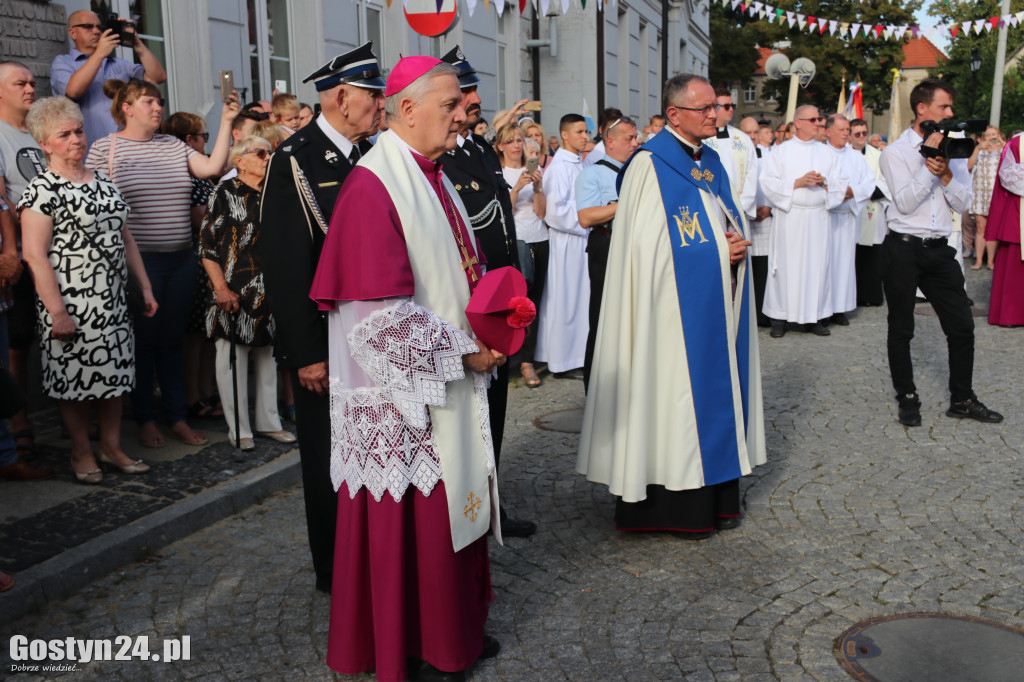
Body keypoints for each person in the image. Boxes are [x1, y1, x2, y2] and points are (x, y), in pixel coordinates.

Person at [309, 55, 500, 682]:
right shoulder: (374, 185)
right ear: (408, 108)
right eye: (450, 105)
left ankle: (457, 632)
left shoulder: (434, 173)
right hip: (400, 396)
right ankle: (418, 647)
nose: (462, 114)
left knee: (451, 511)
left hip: (446, 374)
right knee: (417, 518)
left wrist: (495, 324)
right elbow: (377, 320)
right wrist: (465, 351)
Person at [577, 73, 766, 538]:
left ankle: (718, 497)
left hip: (713, 306)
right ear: (675, 114)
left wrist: (735, 244)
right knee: (673, 399)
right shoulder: (649, 165)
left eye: (715, 108)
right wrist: (722, 252)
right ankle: (670, 507)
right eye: (704, 109)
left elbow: (722, 219)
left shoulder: (712, 161)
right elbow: (646, 249)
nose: (714, 115)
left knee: (716, 389)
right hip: (666, 318)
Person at [258, 42, 386, 593]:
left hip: (373, 335)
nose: (381, 105)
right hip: (324, 343)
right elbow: (286, 265)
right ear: (340, 97)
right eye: (373, 95)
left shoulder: (372, 153)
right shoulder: (297, 158)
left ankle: (375, 553)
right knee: (328, 458)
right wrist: (306, 352)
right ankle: (335, 569)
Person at [85, 79, 238, 449]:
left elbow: (212, 167)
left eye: (159, 101)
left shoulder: (172, 145)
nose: (158, 108)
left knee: (171, 343)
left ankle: (177, 418)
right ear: (127, 107)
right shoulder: (105, 149)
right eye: (149, 101)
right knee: (143, 344)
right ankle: (146, 419)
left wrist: (229, 120)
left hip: (182, 260)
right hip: (140, 265)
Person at [20, 97, 158, 483]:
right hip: (70, 301)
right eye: (63, 135)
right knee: (75, 381)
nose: (76, 139)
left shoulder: (102, 180)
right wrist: (57, 312)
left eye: (78, 130)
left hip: (113, 300)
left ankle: (111, 447)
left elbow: (126, 238)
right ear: (45, 144)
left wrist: (144, 288)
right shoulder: (41, 190)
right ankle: (81, 450)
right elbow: (34, 256)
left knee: (112, 377)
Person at [438, 46, 534, 538]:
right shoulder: (440, 158)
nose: (473, 100)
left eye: (473, 91)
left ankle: (491, 504)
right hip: (468, 309)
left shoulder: (476, 148)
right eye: (463, 92)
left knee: (493, 413)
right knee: (464, 418)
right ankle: (464, 511)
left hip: (499, 303)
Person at [879, 78, 1002, 426]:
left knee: (962, 327)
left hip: (940, 249)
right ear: (922, 108)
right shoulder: (896, 152)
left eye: (951, 107)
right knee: (901, 328)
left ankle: (962, 397)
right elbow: (903, 203)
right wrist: (928, 166)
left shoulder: (957, 148)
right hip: (903, 248)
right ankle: (907, 396)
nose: (951, 113)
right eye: (944, 106)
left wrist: (945, 172)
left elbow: (965, 202)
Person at [198, 136, 294, 451]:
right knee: (231, 360)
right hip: (233, 290)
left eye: (271, 152)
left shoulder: (275, 192)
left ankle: (269, 421)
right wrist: (221, 289)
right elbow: (207, 247)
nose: (269, 157)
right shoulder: (224, 193)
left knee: (269, 358)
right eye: (261, 152)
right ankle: (238, 429)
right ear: (240, 159)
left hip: (271, 289)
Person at [761, 105, 849, 337]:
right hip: (791, 216)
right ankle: (779, 317)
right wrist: (797, 182)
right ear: (797, 123)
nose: (818, 123)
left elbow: (840, 182)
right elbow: (767, 182)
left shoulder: (826, 152)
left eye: (819, 119)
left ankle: (816, 316)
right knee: (786, 267)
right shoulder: (780, 151)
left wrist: (825, 182)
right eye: (812, 119)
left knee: (817, 266)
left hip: (818, 217)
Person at [160, 111, 221, 422]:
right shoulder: (190, 175)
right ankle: (194, 396)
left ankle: (208, 390)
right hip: (198, 259)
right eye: (202, 136)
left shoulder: (199, 173)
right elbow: (201, 220)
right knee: (195, 334)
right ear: (188, 140)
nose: (205, 143)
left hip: (207, 257)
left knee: (207, 332)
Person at [0, 61, 45, 460]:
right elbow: (2, 200)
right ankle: (19, 421)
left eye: (32, 82)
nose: (30, 88)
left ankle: (73, 411)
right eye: (20, 83)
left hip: (58, 250)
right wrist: (11, 249)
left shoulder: (39, 130)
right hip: (22, 252)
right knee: (19, 338)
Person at [575, 114, 639, 390]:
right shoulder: (593, 173)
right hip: (607, 243)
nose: (635, 143)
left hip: (635, 244)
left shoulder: (637, 171)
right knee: (602, 316)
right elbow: (586, 217)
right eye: (630, 138)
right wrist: (624, 202)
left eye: (636, 138)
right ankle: (595, 387)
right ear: (610, 142)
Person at [50, 10, 166, 149]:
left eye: (99, 27)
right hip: (86, 150)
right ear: (72, 33)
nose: (96, 31)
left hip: (124, 149)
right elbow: (73, 91)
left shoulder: (119, 63)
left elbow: (158, 77)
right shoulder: (64, 62)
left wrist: (137, 44)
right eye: (88, 26)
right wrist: (99, 53)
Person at [536, 113, 590, 377]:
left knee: (579, 300)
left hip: (581, 240)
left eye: (586, 131)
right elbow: (556, 212)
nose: (585, 136)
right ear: (565, 134)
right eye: (579, 132)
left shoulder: (580, 164)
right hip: (568, 241)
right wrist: (587, 222)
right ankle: (563, 361)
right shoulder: (558, 168)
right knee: (566, 300)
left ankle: (575, 354)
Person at [494, 125, 546, 389]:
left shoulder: (534, 169)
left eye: (519, 141)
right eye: (510, 141)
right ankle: (514, 357)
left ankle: (528, 359)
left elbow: (540, 212)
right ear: (500, 146)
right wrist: (516, 188)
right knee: (518, 301)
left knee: (535, 299)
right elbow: (505, 210)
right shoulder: (498, 172)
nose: (516, 145)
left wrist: (537, 187)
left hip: (539, 236)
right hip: (517, 238)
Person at [823, 114, 876, 326]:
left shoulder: (855, 156)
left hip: (845, 217)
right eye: (842, 129)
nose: (847, 133)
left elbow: (869, 182)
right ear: (828, 131)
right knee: (825, 264)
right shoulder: (821, 153)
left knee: (843, 264)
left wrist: (852, 191)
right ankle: (823, 308)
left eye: (848, 129)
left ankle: (840, 308)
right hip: (825, 217)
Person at [850, 118, 891, 307]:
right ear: (850, 135)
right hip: (853, 211)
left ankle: (873, 295)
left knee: (874, 255)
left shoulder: (878, 155)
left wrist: (869, 191)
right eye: (856, 134)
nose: (861, 137)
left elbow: (886, 180)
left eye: (863, 133)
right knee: (855, 254)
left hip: (874, 207)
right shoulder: (845, 156)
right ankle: (855, 296)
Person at [703, 88, 757, 226]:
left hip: (739, 210)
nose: (731, 109)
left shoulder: (743, 139)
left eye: (732, 106)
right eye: (727, 106)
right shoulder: (702, 139)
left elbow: (752, 174)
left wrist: (740, 206)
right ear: (714, 108)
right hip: (711, 211)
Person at [986, 132, 1024, 326]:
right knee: (1015, 265)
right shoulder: (1018, 142)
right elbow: (1007, 175)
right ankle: (1012, 314)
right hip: (1019, 210)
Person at [969, 126, 1005, 270]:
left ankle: (990, 261)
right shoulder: (980, 151)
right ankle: (978, 261)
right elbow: (968, 166)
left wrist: (1002, 143)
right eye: (988, 135)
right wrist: (977, 149)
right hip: (979, 194)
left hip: (995, 195)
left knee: (993, 228)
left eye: (993, 134)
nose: (990, 137)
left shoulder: (1002, 151)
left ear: (998, 135)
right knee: (980, 228)